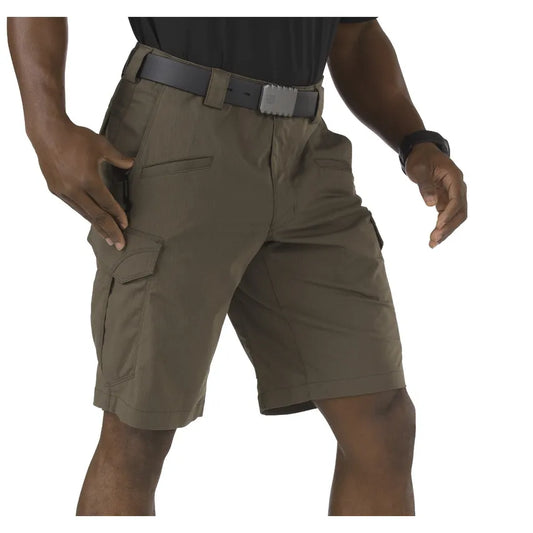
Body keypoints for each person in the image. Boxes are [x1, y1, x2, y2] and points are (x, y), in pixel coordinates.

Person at [7, 16, 467, 516]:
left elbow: (353, 31)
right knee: (138, 431)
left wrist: (415, 140)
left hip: (308, 153)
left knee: (382, 421)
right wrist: (46, 125)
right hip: (181, 134)